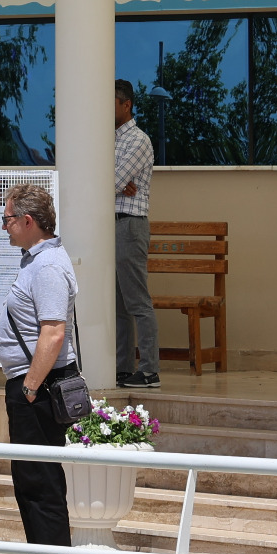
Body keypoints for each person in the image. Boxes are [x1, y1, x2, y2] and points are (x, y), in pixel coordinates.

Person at [0, 182, 79, 554]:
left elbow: (53, 332)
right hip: (33, 386)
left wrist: (29, 388)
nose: (5, 227)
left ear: (29, 221)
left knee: (41, 484)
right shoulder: (38, 261)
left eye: (8, 219)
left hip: (38, 389)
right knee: (33, 482)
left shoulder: (46, 267)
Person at [113, 80, 159, 389]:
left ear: (126, 104)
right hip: (111, 224)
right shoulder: (109, 140)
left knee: (137, 301)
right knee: (116, 304)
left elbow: (112, 179)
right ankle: (122, 368)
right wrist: (115, 182)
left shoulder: (138, 140)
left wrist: (116, 183)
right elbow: (106, 179)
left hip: (129, 224)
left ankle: (150, 370)